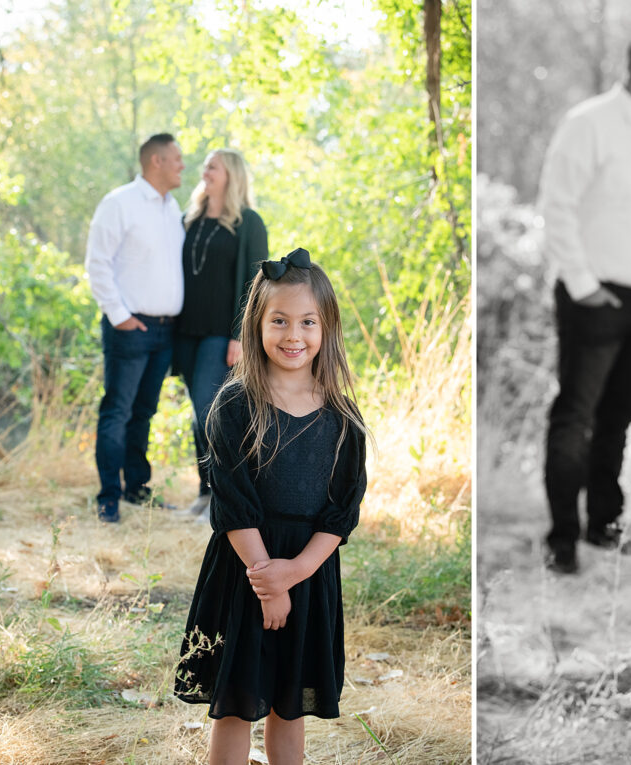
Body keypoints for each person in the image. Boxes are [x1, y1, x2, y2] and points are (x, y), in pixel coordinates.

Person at [174, 247, 368, 765]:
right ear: (256, 326)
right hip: (245, 571)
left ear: (326, 328)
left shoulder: (343, 417)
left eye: (308, 322)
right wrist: (267, 580)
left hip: (308, 572)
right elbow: (234, 503)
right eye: (278, 321)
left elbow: (342, 509)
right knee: (236, 703)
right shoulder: (236, 406)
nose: (293, 335)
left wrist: (296, 572)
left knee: (291, 702)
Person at [538, 31, 631, 574]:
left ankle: (605, 524)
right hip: (595, 298)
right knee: (575, 417)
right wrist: (582, 285)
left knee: (618, 418)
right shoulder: (590, 123)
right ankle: (562, 538)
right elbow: (556, 205)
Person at [85, 133, 185, 523]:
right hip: (130, 327)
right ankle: (108, 496)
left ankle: (136, 489)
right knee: (117, 411)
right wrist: (119, 315)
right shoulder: (119, 203)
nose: (182, 165)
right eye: (176, 158)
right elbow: (97, 264)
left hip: (165, 332)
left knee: (144, 412)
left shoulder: (172, 208)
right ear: (156, 161)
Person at [173, 148, 269, 520]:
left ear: (231, 175)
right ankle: (204, 492)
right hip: (184, 333)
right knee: (199, 416)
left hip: (220, 335)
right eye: (206, 166)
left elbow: (255, 284)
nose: (204, 170)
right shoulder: (189, 219)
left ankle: (221, 498)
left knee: (209, 412)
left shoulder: (248, 222)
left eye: (213, 166)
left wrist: (240, 337)